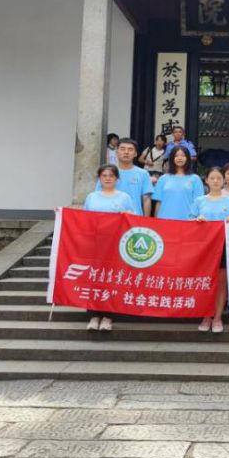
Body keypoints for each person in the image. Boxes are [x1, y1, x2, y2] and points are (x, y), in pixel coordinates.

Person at [82, 164, 134, 332]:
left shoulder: (124, 197)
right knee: (94, 277)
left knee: (112, 278)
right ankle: (93, 315)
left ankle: (108, 316)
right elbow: (83, 218)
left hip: (116, 244)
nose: (108, 178)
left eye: (111, 175)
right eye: (104, 175)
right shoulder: (92, 197)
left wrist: (127, 215)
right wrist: (62, 213)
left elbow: (134, 219)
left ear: (117, 178)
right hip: (96, 243)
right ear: (99, 178)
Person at [189, 167, 229, 334]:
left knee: (221, 284)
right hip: (204, 246)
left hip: (224, 245)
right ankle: (206, 316)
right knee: (205, 282)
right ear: (207, 181)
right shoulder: (199, 201)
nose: (216, 181)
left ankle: (217, 317)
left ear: (223, 180)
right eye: (212, 178)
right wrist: (197, 220)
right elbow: (190, 221)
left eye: (219, 178)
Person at [153, 146, 204, 220]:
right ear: (172, 159)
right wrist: (156, 221)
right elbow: (159, 203)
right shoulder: (163, 179)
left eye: (183, 155)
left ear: (188, 158)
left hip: (188, 221)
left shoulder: (195, 179)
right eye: (176, 156)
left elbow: (199, 204)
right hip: (165, 220)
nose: (180, 158)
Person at [113, 138, 153, 217]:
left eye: (130, 149)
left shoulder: (143, 174)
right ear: (117, 152)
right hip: (112, 217)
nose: (126, 152)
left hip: (135, 217)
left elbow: (146, 199)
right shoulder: (108, 173)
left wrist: (146, 220)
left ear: (135, 154)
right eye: (122, 149)